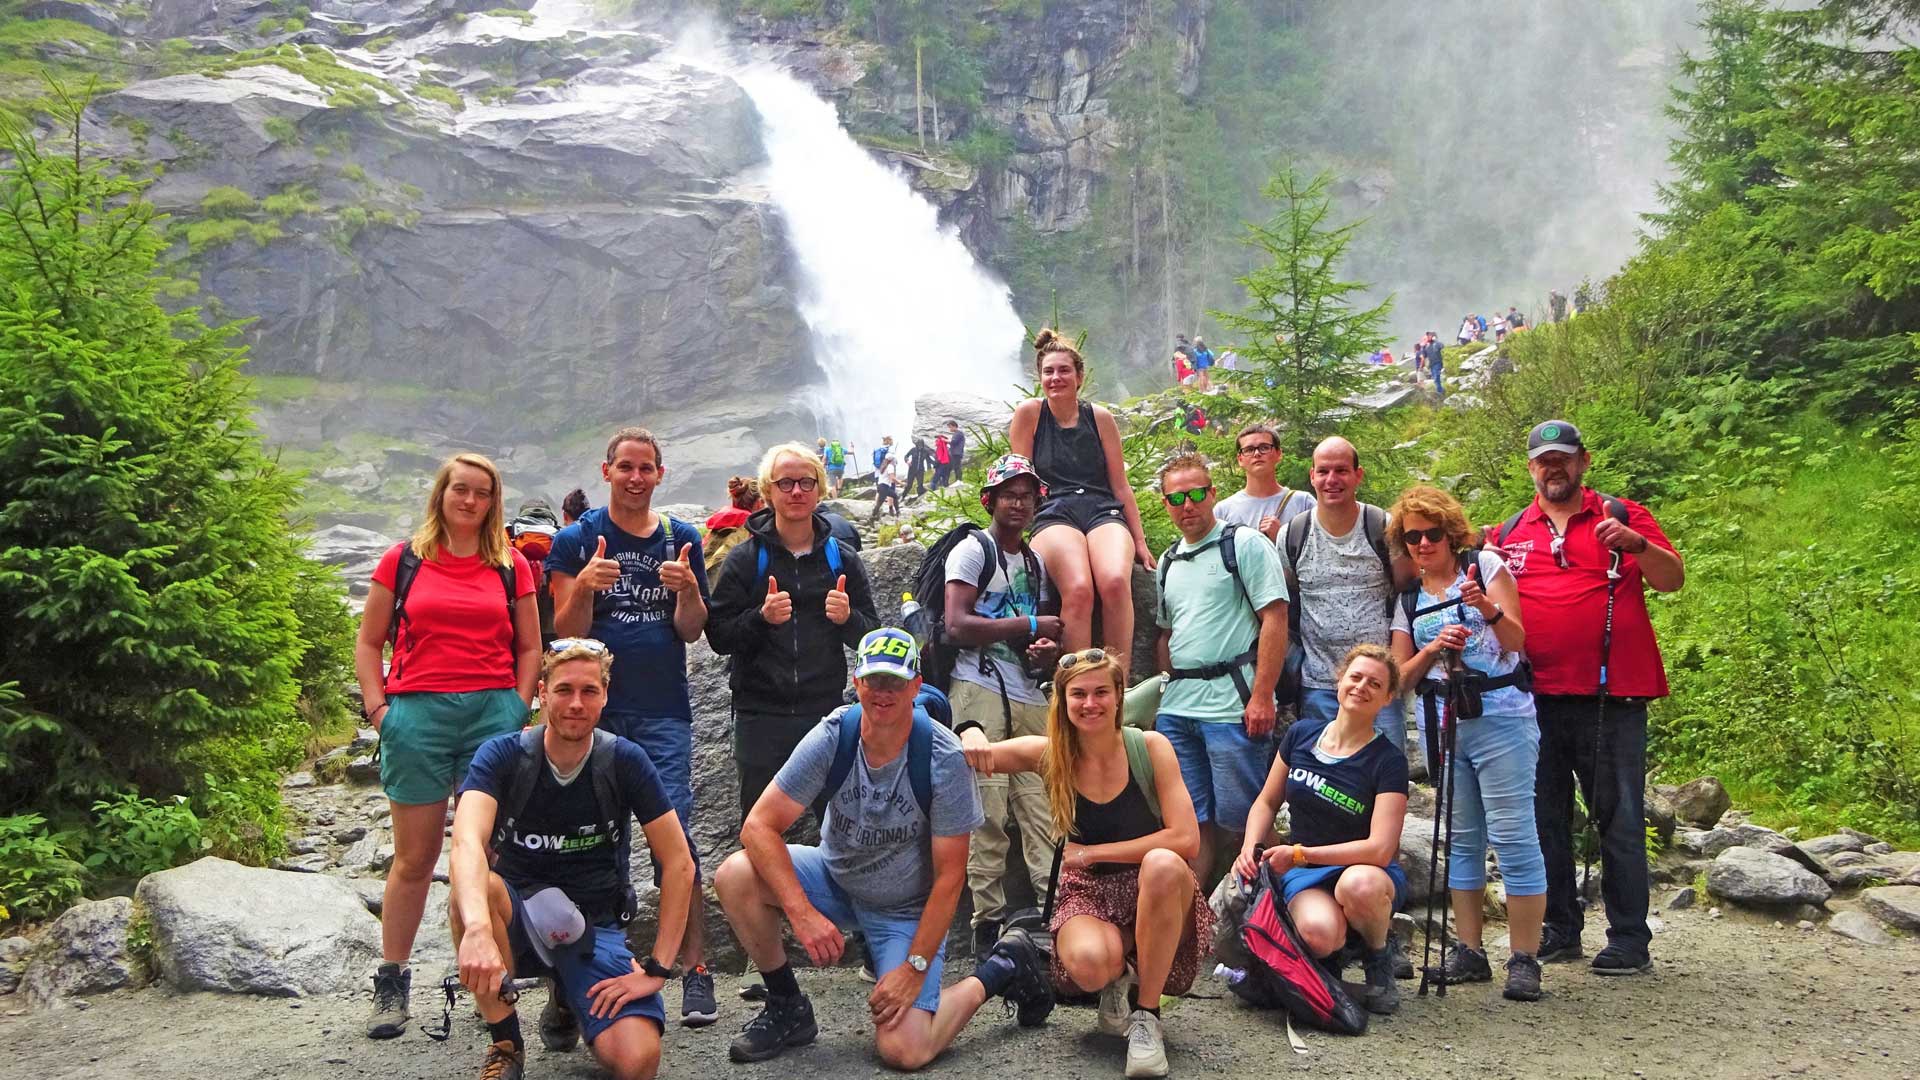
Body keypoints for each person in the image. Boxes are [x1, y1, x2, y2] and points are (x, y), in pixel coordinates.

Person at [715, 629, 1055, 1068]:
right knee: (736, 875)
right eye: (874, 680)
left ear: (916, 685)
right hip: (834, 879)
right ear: (857, 682)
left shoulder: (943, 757)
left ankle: (1003, 967)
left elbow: (950, 877)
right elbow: (759, 826)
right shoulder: (835, 734)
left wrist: (913, 969)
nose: (883, 692)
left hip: (905, 909)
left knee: (905, 1049)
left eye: (896, 681)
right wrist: (801, 912)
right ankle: (787, 1005)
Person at [355, 452, 541, 1040]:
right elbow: (369, 642)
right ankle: (392, 979)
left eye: (482, 493)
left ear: (493, 502)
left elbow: (530, 647)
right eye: (460, 489)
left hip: (492, 714)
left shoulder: (511, 564)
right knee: (413, 858)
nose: (470, 500)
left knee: (485, 855)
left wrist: (517, 707)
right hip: (417, 716)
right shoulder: (403, 560)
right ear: (441, 494)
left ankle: (489, 981)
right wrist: (381, 712)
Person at [448, 638, 695, 1080]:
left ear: (605, 695)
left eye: (589, 691)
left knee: (638, 1062)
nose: (576, 703)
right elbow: (466, 842)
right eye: (564, 690)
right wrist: (478, 930)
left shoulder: (625, 760)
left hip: (593, 924)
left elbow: (679, 862)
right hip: (516, 918)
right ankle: (506, 1043)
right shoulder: (502, 756)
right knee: (473, 891)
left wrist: (657, 968)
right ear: (542, 693)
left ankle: (568, 993)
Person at [964, 648, 1212, 1079]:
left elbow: (1186, 839)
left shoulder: (1150, 748)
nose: (1090, 703)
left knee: (1162, 862)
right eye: (1078, 694)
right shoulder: (1051, 754)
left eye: (1101, 692)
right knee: (1090, 964)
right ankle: (1118, 979)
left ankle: (1147, 1017)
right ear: (1062, 701)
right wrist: (969, 730)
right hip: (1090, 890)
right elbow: (978, 755)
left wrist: (1093, 853)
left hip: (1154, 885)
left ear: (1119, 696)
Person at [1496, 420, 1683, 976]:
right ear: (1531, 468)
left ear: (1584, 461)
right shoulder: (1511, 530)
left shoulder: (1621, 514)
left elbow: (1672, 579)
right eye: (1543, 460)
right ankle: (1559, 927)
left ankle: (1629, 937)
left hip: (1613, 695)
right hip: (1533, 699)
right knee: (1543, 820)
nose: (1553, 468)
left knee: (1619, 818)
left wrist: (1638, 545)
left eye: (1563, 458)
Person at [544, 428, 716, 1028]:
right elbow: (563, 631)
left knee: (677, 840)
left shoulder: (681, 537)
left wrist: (689, 591)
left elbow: (691, 629)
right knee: (586, 841)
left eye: (646, 469)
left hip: (663, 710)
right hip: (593, 713)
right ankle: (574, 978)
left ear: (660, 474)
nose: (636, 478)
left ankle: (695, 969)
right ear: (607, 471)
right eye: (626, 467)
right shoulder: (575, 540)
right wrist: (585, 587)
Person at [1386, 485, 1546, 1002]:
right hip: (1443, 724)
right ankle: (1471, 951)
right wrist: (1434, 647)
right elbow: (1399, 678)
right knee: (1461, 839)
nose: (1423, 544)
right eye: (1413, 537)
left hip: (1502, 716)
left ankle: (1524, 958)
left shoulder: (1485, 568)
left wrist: (1486, 608)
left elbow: (1518, 641)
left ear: (1451, 533)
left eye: (1432, 533)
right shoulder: (1408, 599)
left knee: (1515, 834)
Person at [707, 442, 880, 833]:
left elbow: (871, 636)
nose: (797, 491)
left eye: (806, 482)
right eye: (785, 483)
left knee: (841, 827)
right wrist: (760, 618)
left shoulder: (842, 559)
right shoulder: (746, 559)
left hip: (825, 714)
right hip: (760, 716)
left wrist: (848, 618)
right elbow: (718, 636)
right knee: (759, 830)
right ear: (768, 491)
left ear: (820, 489)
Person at [1234, 645, 1410, 1016]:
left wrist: (1300, 854)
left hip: (1364, 870)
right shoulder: (1301, 734)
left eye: (1375, 684)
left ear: (1388, 698)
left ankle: (1378, 955)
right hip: (1308, 872)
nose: (1362, 687)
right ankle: (1332, 957)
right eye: (1356, 677)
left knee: (1359, 886)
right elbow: (1266, 802)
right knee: (1318, 934)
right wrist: (1250, 847)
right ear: (1339, 680)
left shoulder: (1389, 760)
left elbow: (1380, 849)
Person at [946, 455, 1065, 955]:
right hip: (977, 689)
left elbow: (1029, 633)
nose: (1019, 504)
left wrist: (1042, 651)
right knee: (987, 810)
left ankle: (1056, 917)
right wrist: (1032, 626)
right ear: (989, 501)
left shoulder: (1033, 562)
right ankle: (987, 926)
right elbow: (956, 624)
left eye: (1027, 496)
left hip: (1025, 691)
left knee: (1044, 809)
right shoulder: (973, 550)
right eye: (1009, 495)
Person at [1152, 453, 1289, 887]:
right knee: (1191, 823)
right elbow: (1165, 634)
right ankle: (1193, 914)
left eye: (1196, 494)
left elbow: (1275, 617)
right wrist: (1165, 688)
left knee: (1247, 817)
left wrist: (1262, 695)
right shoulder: (1167, 561)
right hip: (1178, 710)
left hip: (1233, 705)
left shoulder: (1243, 544)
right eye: (1177, 498)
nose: (1188, 505)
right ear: (1166, 504)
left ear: (1212, 494)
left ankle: (1278, 905)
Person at [1010, 328, 1154, 661]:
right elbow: (1020, 481)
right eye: (1048, 371)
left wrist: (1140, 541)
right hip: (1053, 512)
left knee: (1115, 581)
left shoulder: (1100, 419)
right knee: (1078, 588)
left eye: (1064, 370)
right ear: (1040, 377)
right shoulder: (1030, 415)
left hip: (1103, 510)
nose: (1055, 378)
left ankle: (1118, 680)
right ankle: (1077, 681)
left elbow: (1120, 485)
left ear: (1079, 377)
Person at [1279, 436, 1412, 752]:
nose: (1332, 480)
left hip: (1378, 685)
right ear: (1312, 476)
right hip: (1318, 685)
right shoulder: (1293, 534)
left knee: (1385, 772)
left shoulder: (1381, 526)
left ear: (1357, 475)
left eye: (1341, 470)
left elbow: (1408, 592)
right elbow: (1286, 604)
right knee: (1323, 773)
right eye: (1323, 471)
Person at [1213, 422, 1315, 543]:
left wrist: (1282, 537)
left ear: (1278, 454)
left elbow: (1320, 549)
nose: (1257, 454)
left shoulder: (1303, 502)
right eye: (1249, 450)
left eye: (1264, 448)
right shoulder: (1223, 510)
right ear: (1240, 459)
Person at [870, 436, 901, 524]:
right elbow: (892, 478)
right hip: (885, 485)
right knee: (893, 495)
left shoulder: (882, 462)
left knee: (880, 500)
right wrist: (900, 483)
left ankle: (873, 515)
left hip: (880, 481)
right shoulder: (890, 454)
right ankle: (893, 510)